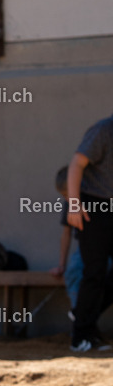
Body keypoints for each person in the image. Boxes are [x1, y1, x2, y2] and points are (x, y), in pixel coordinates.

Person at [65, 112, 113, 352]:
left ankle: (83, 316)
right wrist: (74, 204)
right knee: (94, 270)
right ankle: (80, 337)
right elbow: (76, 163)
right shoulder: (104, 130)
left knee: (103, 273)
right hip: (94, 207)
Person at [51, 166, 113, 328]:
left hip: (105, 248)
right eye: (64, 196)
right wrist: (61, 265)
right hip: (85, 251)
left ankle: (83, 316)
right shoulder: (70, 204)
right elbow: (66, 234)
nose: (67, 199)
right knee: (75, 272)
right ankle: (80, 317)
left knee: (101, 273)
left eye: (68, 194)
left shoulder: (98, 199)